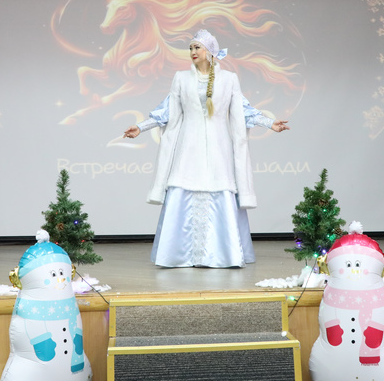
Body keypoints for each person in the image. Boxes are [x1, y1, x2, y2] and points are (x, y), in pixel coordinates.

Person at [123, 29, 290, 268]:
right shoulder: (181, 78)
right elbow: (167, 110)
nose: (192, 52)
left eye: (197, 47)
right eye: (191, 48)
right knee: (184, 187)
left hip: (219, 147)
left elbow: (243, 109)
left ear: (210, 51)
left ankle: (223, 254)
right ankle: (178, 255)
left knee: (220, 189)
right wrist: (141, 127)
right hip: (188, 147)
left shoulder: (229, 79)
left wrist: (269, 123)